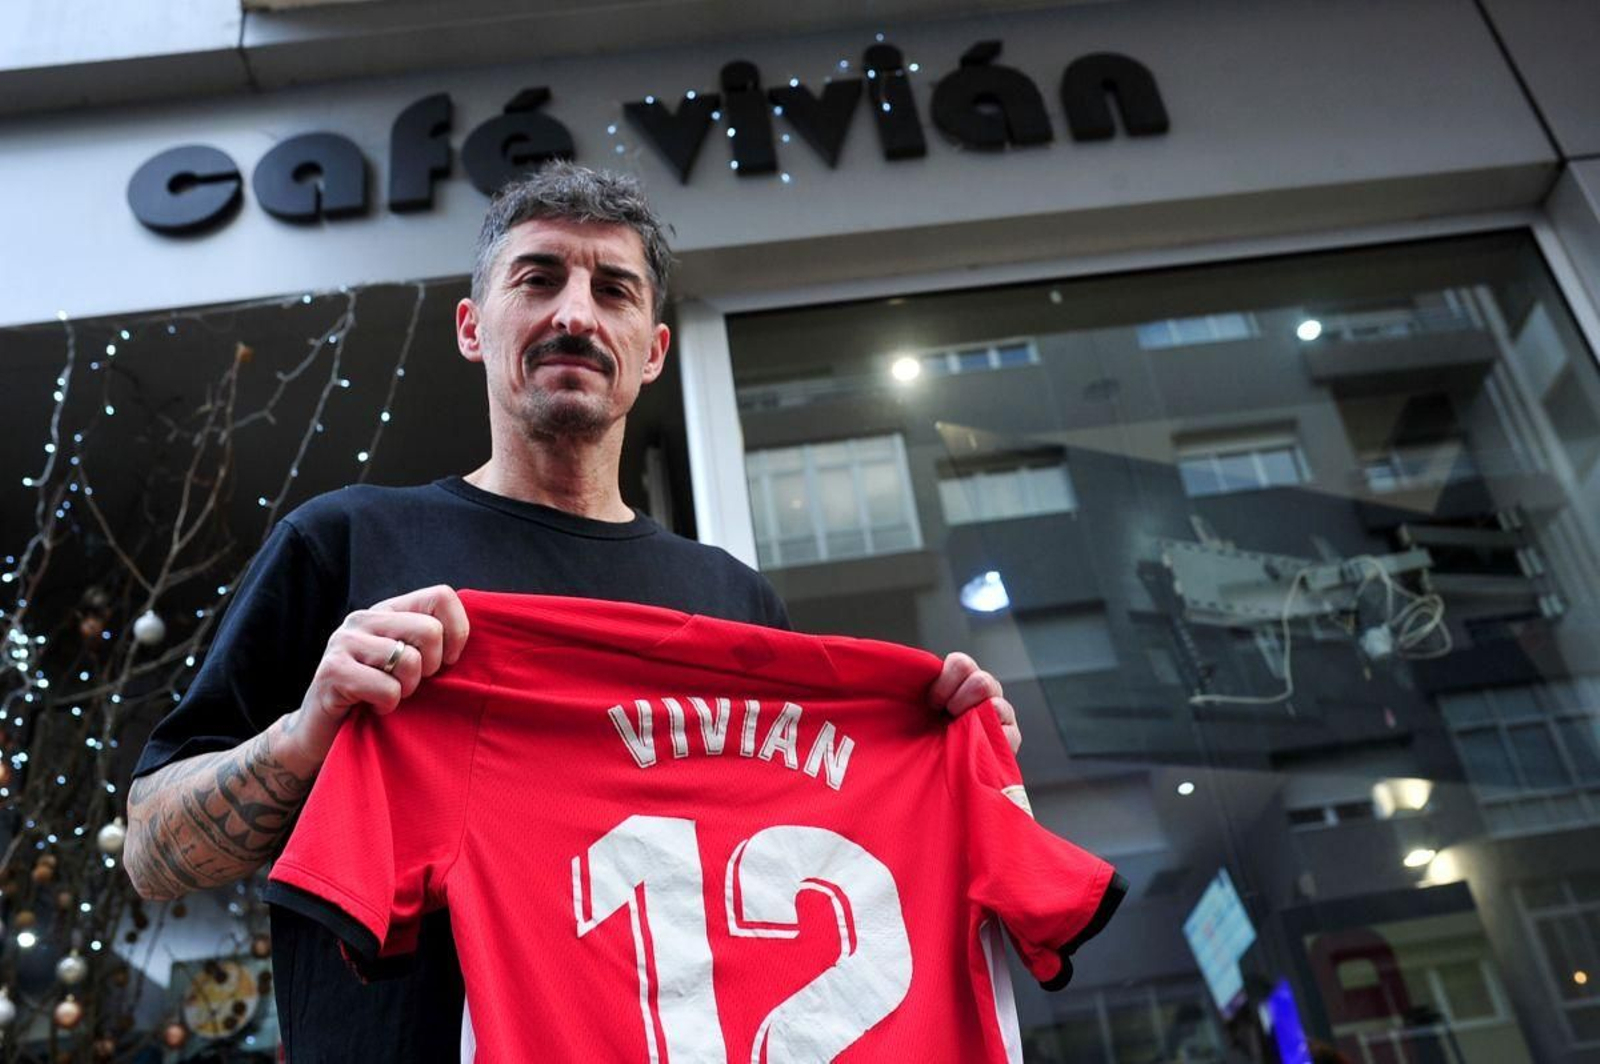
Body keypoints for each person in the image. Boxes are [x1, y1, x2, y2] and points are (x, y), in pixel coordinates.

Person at [123, 162, 1020, 1063]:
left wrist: (942, 757)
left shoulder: (735, 605)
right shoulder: (347, 545)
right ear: (473, 328)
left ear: (655, 349)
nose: (576, 316)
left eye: (614, 290)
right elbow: (152, 855)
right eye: (539, 278)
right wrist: (307, 733)